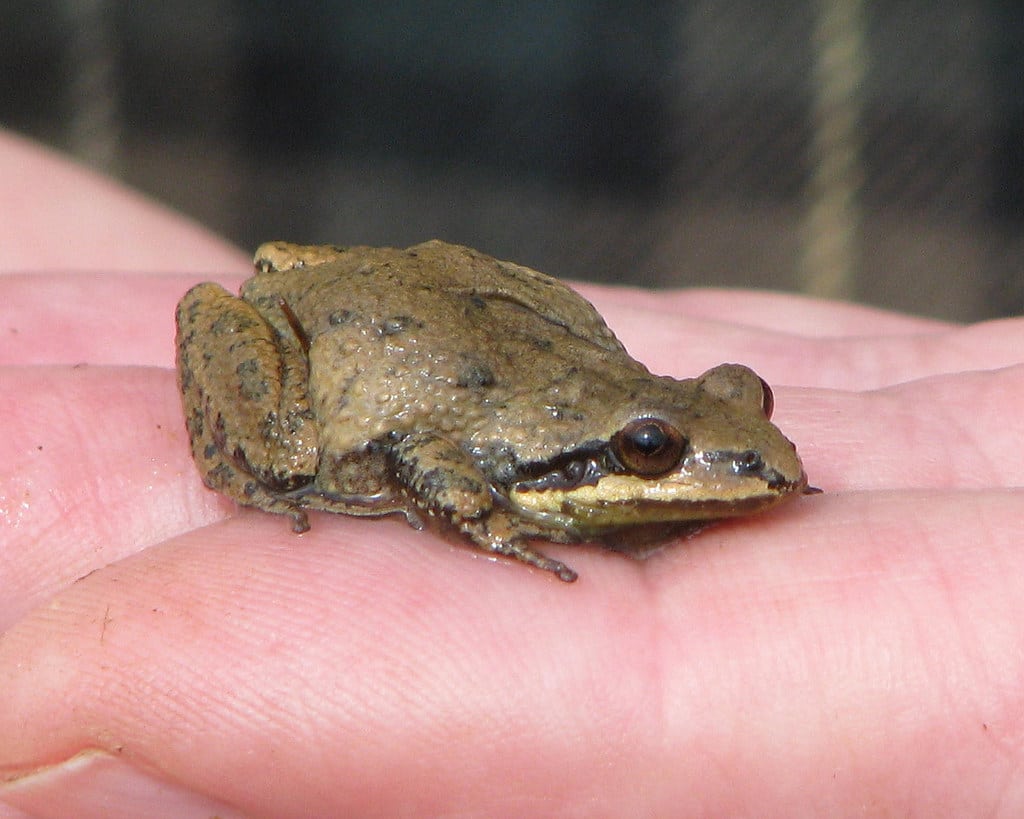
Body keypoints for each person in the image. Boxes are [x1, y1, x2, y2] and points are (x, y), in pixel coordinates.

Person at [1, 127, 1022, 818]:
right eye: (654, 452)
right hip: (327, 331)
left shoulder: (613, 406)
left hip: (437, 311)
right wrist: (490, 525)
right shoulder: (513, 451)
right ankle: (273, 472)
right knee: (275, 456)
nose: (715, 453)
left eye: (742, 405)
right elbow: (424, 456)